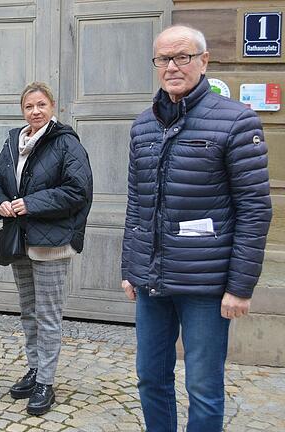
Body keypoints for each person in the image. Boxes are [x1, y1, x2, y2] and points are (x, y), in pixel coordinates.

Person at [121, 25, 272, 431]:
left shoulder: (237, 122)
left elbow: (255, 209)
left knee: (203, 386)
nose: (172, 66)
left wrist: (240, 287)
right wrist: (130, 269)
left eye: (182, 57)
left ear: (204, 61)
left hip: (206, 286)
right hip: (152, 282)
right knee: (151, 377)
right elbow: (137, 204)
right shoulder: (143, 126)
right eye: (163, 59)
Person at [0, 82, 93, 416]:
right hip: (20, 239)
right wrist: (2, 203)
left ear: (52, 106)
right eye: (29, 106)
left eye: (41, 105)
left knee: (48, 315)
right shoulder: (13, 142)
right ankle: (34, 370)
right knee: (29, 310)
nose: (35, 111)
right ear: (23, 110)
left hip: (52, 243)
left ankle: (46, 381)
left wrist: (28, 204)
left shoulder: (65, 143)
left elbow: (78, 190)